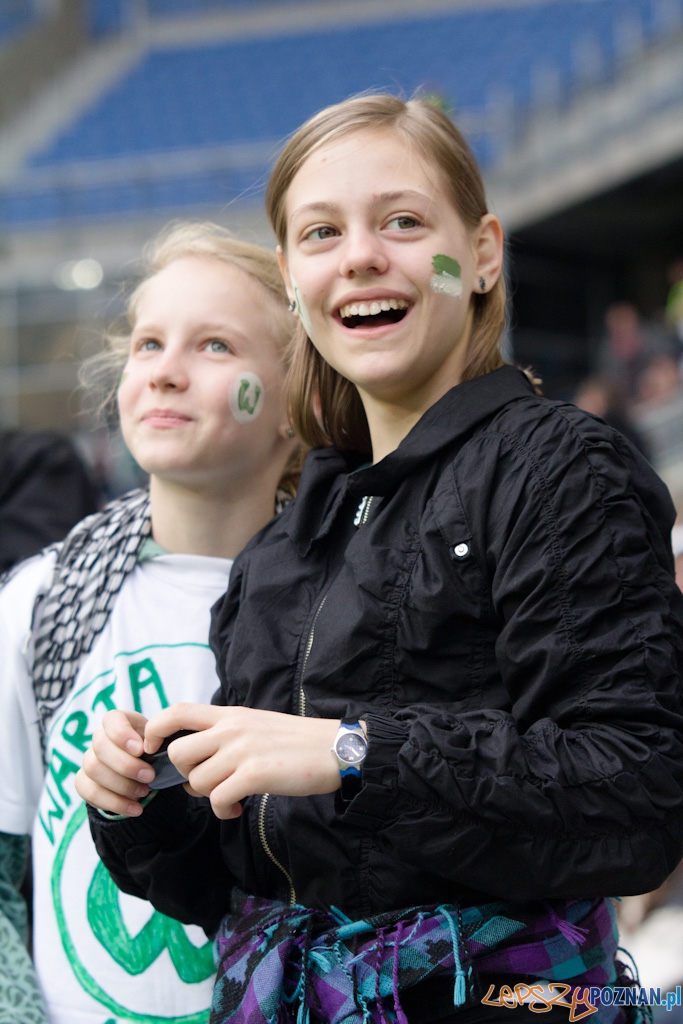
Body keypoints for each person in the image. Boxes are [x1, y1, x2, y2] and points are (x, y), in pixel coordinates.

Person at [78, 96, 683, 1024]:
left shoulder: (561, 467)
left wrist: (355, 753)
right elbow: (233, 885)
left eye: (401, 221)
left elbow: (637, 792)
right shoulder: (280, 547)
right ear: (290, 278)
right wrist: (143, 803)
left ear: (482, 254)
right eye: (322, 233)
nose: (360, 254)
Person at [0, 220, 300, 1024]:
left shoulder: (348, 603)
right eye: (147, 345)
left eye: (213, 347)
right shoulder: (35, 604)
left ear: (295, 401)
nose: (165, 372)